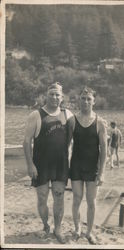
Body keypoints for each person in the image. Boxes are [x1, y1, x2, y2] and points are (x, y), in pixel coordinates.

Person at [23, 82, 73, 244]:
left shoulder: (68, 115)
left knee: (59, 197)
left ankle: (58, 229)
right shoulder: (36, 115)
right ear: (46, 95)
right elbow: (26, 142)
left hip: (60, 165)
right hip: (41, 164)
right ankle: (46, 225)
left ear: (62, 97)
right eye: (51, 94)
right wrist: (30, 165)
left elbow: (80, 133)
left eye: (57, 94)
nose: (54, 97)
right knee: (42, 197)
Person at [68, 86, 107, 244]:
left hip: (92, 167)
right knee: (77, 198)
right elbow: (67, 145)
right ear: (79, 100)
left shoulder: (100, 122)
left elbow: (104, 149)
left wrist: (102, 172)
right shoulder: (72, 121)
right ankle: (77, 229)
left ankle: (89, 232)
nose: (85, 101)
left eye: (88, 99)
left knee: (91, 201)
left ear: (94, 101)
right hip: (76, 165)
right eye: (83, 98)